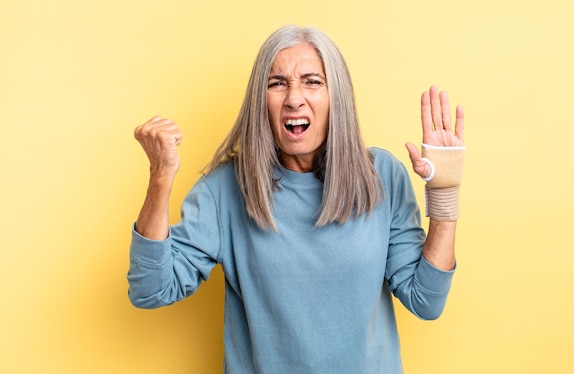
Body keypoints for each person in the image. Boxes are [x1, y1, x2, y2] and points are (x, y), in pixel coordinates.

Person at [128, 25, 465, 374]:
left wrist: (444, 197)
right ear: (261, 99)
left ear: (338, 96)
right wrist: (160, 175)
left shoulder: (382, 176)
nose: (293, 98)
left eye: (312, 81)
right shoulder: (226, 188)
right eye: (277, 83)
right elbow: (152, 289)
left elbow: (425, 301)